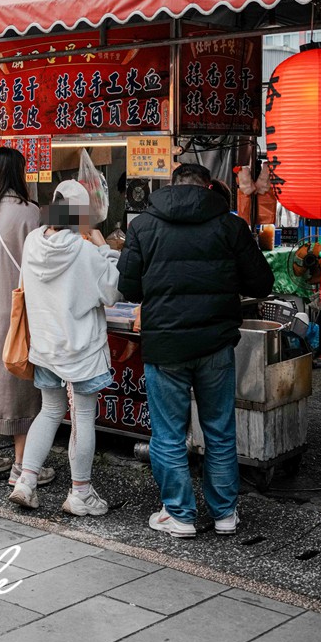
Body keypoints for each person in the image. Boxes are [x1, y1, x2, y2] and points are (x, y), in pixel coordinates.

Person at [117, 162, 274, 538]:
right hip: (216, 343)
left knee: (169, 433)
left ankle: (180, 515)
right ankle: (224, 515)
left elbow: (131, 289)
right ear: (208, 186)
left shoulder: (143, 225)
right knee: (219, 431)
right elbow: (262, 283)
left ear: (171, 186)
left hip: (166, 345)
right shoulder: (230, 226)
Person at [9, 180, 120, 514]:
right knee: (83, 415)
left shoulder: (32, 241)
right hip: (81, 348)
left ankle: (26, 481)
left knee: (51, 410)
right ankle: (80, 493)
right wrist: (105, 248)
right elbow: (112, 292)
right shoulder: (85, 251)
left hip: (44, 344)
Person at [0, 147, 49, 486]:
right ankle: (20, 465)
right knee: (20, 382)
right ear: (19, 173)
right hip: (17, 309)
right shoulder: (30, 213)